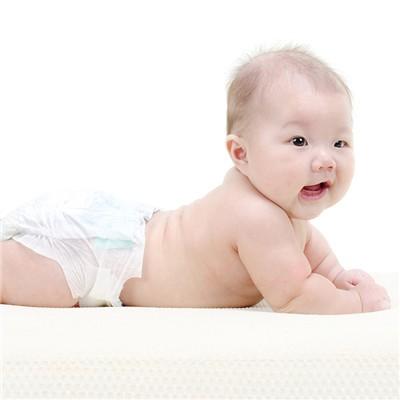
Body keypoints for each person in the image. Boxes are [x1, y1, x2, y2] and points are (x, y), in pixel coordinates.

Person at [0, 45, 391, 313]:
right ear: (241, 154)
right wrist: (359, 302)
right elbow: (297, 296)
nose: (326, 160)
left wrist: (338, 277)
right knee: (32, 285)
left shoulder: (280, 211)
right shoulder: (257, 217)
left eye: (340, 142)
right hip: (102, 253)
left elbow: (315, 256)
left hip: (124, 240)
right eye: (299, 141)